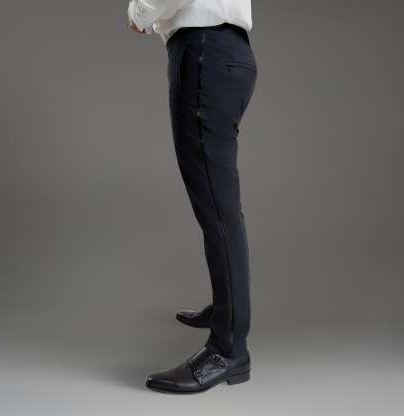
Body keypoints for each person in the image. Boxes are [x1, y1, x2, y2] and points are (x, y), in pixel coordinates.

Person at [127, 0, 258, 394]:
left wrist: (139, 15)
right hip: (231, 53)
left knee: (217, 207)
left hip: (205, 51)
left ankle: (228, 349)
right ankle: (227, 308)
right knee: (219, 203)